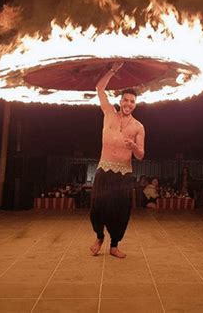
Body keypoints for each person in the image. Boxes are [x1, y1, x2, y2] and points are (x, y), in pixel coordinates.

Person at [90, 61, 145, 259]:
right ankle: (99, 236)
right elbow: (99, 88)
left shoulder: (139, 127)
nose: (128, 104)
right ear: (120, 101)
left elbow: (141, 155)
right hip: (104, 169)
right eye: (126, 100)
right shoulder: (108, 114)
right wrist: (113, 70)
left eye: (132, 101)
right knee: (97, 207)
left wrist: (134, 147)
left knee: (120, 211)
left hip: (124, 173)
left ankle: (114, 245)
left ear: (135, 104)